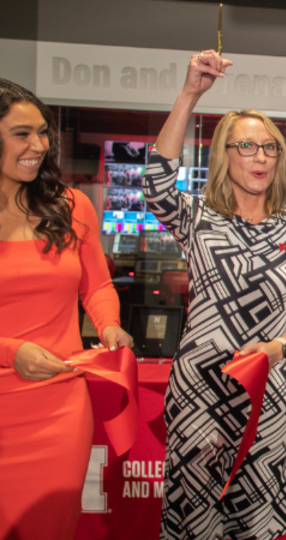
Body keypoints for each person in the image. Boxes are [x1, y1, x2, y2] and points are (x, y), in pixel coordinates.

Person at [145, 51, 286, 540]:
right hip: (200, 395)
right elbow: (156, 184)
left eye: (269, 148)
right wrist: (190, 95)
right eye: (246, 146)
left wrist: (276, 349)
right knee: (194, 521)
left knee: (258, 525)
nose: (260, 157)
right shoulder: (199, 220)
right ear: (224, 153)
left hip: (267, 398)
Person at [0, 78, 133, 538]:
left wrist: (110, 325)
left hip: (58, 406)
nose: (37, 145)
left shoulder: (71, 206)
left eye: (42, 133)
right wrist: (10, 351)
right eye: (22, 134)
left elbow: (96, 286)